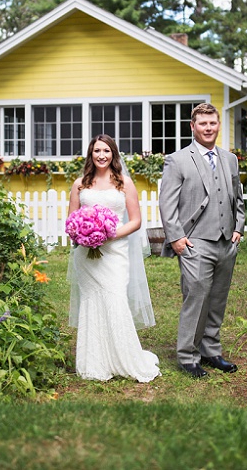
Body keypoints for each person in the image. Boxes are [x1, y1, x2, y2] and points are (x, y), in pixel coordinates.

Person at [159, 103, 245, 378]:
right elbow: (167, 204)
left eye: (213, 123)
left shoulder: (229, 159)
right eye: (203, 123)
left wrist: (239, 228)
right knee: (196, 297)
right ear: (193, 126)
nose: (208, 128)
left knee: (218, 299)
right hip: (194, 242)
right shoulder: (178, 160)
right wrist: (177, 239)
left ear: (218, 125)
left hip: (225, 242)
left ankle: (211, 350)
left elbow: (238, 198)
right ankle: (187, 356)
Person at [67, 134, 160, 382]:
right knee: (92, 303)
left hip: (115, 252)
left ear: (113, 154)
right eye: (97, 150)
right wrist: (84, 236)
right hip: (86, 256)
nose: (101, 155)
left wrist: (107, 234)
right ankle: (94, 362)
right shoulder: (79, 184)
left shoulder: (124, 183)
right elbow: (71, 221)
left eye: (106, 151)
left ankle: (125, 358)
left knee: (115, 298)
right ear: (91, 154)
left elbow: (136, 220)